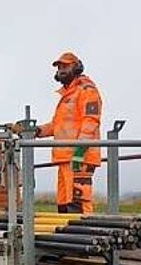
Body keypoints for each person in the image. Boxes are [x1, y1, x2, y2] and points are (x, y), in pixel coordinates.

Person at [13, 52, 102, 215]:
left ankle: (84, 237)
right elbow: (57, 126)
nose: (61, 69)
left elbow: (91, 120)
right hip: (64, 157)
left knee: (79, 201)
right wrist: (35, 131)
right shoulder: (67, 95)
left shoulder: (87, 91)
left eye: (65, 66)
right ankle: (67, 237)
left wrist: (80, 150)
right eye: (59, 67)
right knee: (63, 203)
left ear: (77, 67)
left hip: (79, 157)